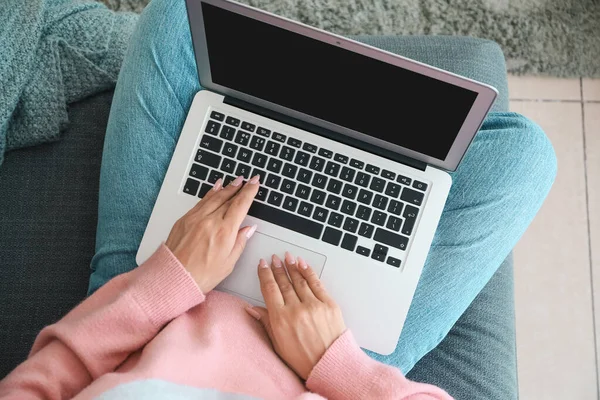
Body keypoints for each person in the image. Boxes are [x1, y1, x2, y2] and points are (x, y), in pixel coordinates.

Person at [0, 0, 557, 398]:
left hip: (149, 309)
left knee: (176, 16)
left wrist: (163, 283)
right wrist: (334, 364)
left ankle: (291, 129)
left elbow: (39, 382)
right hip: (336, 346)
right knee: (523, 154)